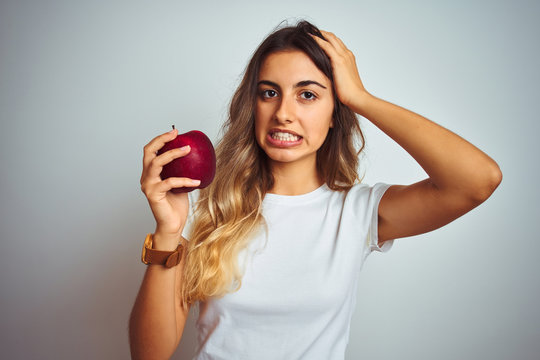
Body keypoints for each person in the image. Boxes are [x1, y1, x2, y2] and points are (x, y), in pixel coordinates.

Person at [129, 21, 502, 360]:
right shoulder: (207, 210)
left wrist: (362, 98)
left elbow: (478, 181)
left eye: (307, 95)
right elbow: (150, 355)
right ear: (252, 105)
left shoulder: (357, 212)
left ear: (335, 112)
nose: (283, 113)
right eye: (269, 92)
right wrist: (167, 231)